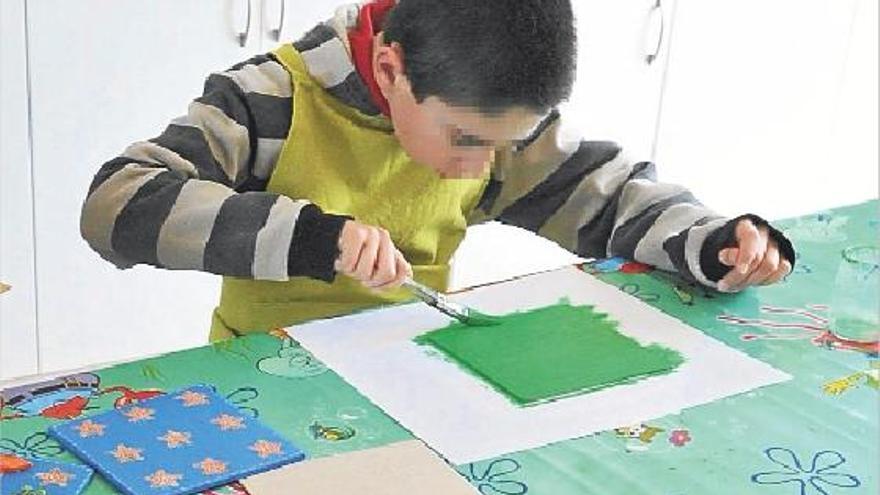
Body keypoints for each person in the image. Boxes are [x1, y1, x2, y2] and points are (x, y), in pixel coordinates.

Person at [80, 0, 795, 341]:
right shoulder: (270, 101)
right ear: (391, 69)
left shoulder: (486, 123)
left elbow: (603, 199)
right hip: (263, 377)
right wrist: (308, 235)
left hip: (414, 368)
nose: (484, 165)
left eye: (501, 144)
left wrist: (709, 239)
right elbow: (117, 204)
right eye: (465, 140)